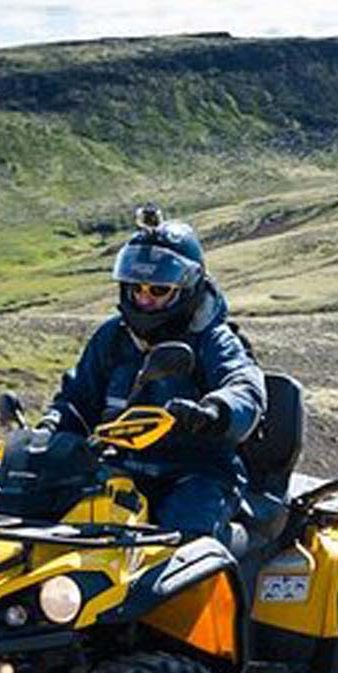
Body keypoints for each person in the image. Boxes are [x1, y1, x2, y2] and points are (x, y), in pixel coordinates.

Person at [39, 206, 264, 543]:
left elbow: (245, 386)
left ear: (187, 288)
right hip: (121, 467)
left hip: (198, 472)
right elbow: (76, 400)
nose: (144, 298)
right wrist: (49, 429)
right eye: (137, 288)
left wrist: (214, 412)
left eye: (158, 291)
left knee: (182, 541)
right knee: (47, 520)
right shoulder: (112, 337)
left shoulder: (212, 339)